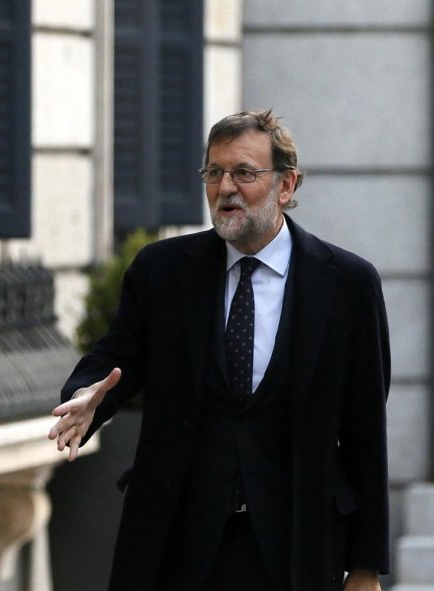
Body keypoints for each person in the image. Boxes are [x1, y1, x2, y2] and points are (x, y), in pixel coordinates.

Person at [49, 110, 390, 591]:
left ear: (286, 186)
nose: (225, 187)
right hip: (176, 543)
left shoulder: (348, 285)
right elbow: (114, 358)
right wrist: (88, 399)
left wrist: (365, 567)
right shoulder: (162, 272)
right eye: (214, 172)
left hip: (296, 546)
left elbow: (366, 435)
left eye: (244, 173)